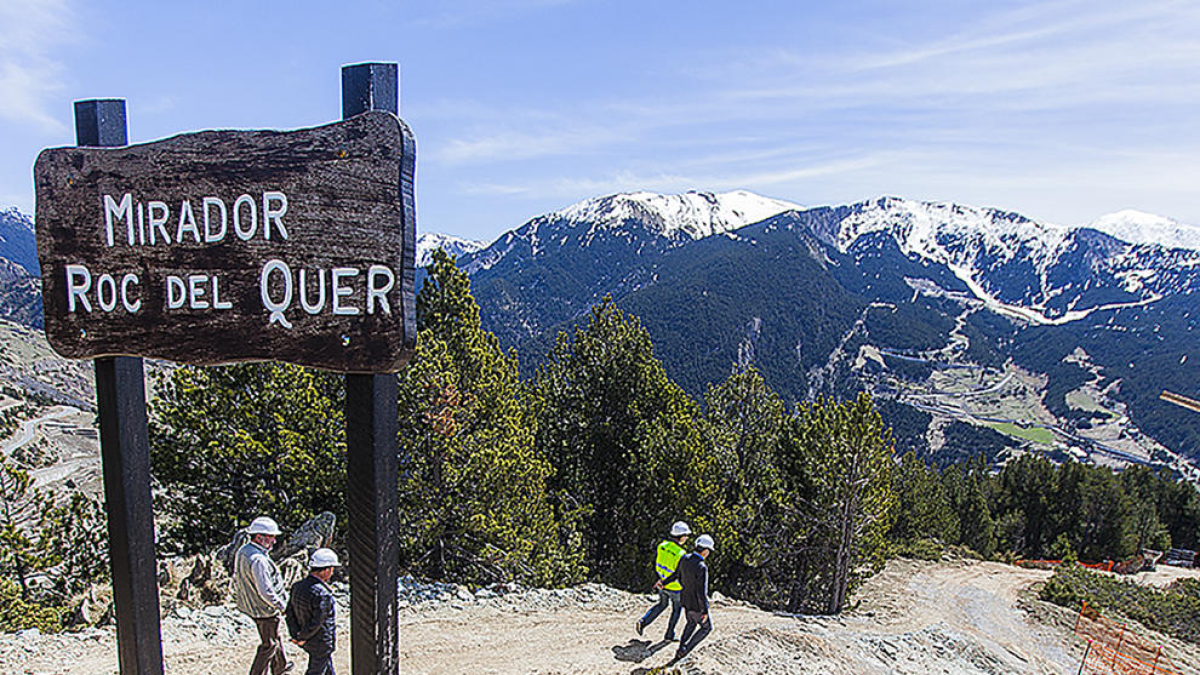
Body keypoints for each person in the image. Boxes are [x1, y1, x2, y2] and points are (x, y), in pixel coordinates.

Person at [235, 516, 292, 675]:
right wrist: (281, 605)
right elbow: (265, 590)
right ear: (259, 537)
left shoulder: (244, 551)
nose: (274, 541)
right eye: (271, 537)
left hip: (251, 604)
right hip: (263, 608)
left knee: (274, 636)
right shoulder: (258, 559)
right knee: (269, 644)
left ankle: (280, 666)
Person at [656, 534, 715, 662]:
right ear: (705, 550)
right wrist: (704, 610)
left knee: (691, 623)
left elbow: (675, 575)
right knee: (706, 628)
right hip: (696, 604)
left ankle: (680, 649)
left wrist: (663, 582)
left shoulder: (685, 558)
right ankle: (685, 650)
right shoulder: (701, 567)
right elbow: (701, 592)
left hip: (685, 600)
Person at [286, 548, 340, 675]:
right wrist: (302, 637)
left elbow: (290, 613)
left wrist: (296, 635)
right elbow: (318, 621)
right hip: (320, 642)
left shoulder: (297, 587)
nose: (332, 573)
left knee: (326, 668)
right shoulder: (322, 594)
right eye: (332, 569)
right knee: (316, 670)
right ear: (326, 570)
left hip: (308, 640)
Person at [636, 521, 690, 641]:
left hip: (661, 582)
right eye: (686, 535)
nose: (686, 538)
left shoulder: (662, 546)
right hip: (674, 587)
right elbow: (677, 574)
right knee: (677, 609)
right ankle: (669, 634)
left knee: (662, 604)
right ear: (681, 536)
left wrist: (660, 580)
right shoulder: (681, 554)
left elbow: (659, 564)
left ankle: (643, 621)